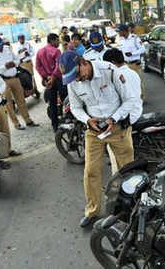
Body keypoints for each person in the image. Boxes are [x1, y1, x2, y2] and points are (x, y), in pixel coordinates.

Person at [60, 50, 140, 227]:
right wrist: (87, 120)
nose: (77, 79)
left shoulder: (109, 71)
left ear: (83, 62)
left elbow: (130, 100)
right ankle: (92, 210)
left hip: (117, 127)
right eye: (72, 77)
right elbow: (75, 107)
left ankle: (131, 209)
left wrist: (114, 118)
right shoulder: (73, 82)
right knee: (91, 171)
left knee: (126, 170)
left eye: (78, 74)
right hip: (94, 130)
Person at [0, 35, 39, 130]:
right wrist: (4, 67)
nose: (0, 47)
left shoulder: (7, 48)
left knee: (21, 100)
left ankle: (28, 120)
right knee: (8, 104)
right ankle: (16, 123)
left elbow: (17, 59)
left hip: (15, 77)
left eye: (1, 44)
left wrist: (15, 63)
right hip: (2, 81)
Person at [103, 48, 143, 174]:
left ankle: (118, 177)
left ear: (113, 63)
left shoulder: (115, 76)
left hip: (127, 116)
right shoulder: (133, 73)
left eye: (106, 64)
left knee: (111, 143)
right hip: (137, 110)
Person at [35, 33, 67, 132]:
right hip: (58, 80)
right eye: (57, 40)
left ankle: (55, 126)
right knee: (66, 100)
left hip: (48, 81)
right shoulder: (56, 51)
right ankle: (68, 120)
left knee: (52, 103)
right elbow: (59, 66)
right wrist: (52, 77)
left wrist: (46, 77)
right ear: (52, 40)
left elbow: (38, 66)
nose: (58, 43)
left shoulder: (39, 51)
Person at [117, 24, 146, 98]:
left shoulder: (135, 38)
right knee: (127, 82)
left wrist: (132, 54)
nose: (118, 33)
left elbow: (143, 49)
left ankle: (141, 98)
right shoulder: (121, 40)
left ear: (124, 31)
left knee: (137, 82)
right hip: (125, 65)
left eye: (119, 31)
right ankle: (132, 97)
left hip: (135, 64)